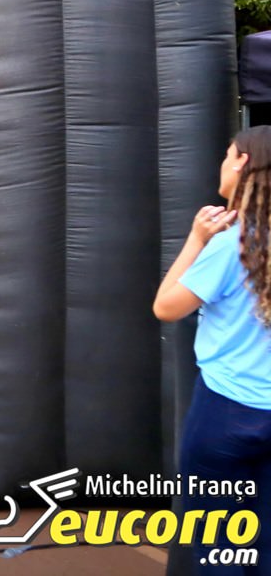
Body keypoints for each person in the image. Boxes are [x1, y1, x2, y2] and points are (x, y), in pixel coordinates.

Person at [153, 128, 271, 574]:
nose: (222, 164)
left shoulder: (228, 246)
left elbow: (166, 307)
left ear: (242, 163)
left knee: (216, 541)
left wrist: (196, 238)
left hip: (225, 410)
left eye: (227, 155)